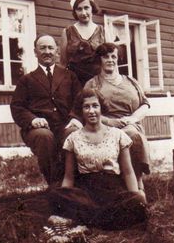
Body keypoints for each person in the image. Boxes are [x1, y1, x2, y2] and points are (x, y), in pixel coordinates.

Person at [49, 88, 147, 230]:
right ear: (81, 111)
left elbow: (128, 172)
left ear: (101, 108)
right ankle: (106, 221)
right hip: (86, 193)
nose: (91, 111)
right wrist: (65, 197)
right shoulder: (73, 138)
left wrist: (135, 194)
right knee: (54, 195)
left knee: (138, 200)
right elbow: (69, 177)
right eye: (86, 107)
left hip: (113, 191)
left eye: (95, 106)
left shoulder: (118, 135)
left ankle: (82, 221)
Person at [10, 34, 82, 185]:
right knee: (45, 137)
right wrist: (33, 119)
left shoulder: (69, 76)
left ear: (57, 51)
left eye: (50, 48)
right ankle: (55, 185)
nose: (47, 51)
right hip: (38, 129)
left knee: (74, 133)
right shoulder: (27, 80)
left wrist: (75, 118)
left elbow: (80, 100)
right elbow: (17, 106)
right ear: (35, 52)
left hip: (64, 125)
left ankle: (74, 184)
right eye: (42, 48)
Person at [84, 42, 151, 191]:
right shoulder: (92, 84)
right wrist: (111, 122)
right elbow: (88, 110)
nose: (110, 60)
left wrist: (132, 119)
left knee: (131, 133)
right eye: (106, 56)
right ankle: (125, 186)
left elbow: (145, 104)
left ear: (118, 59)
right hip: (104, 125)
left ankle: (138, 182)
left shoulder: (130, 81)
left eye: (113, 56)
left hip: (131, 123)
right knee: (127, 134)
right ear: (100, 59)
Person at [60, 0, 105, 86]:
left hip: (98, 82)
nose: (83, 13)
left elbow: (110, 59)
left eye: (86, 8)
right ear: (75, 12)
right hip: (74, 83)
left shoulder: (103, 31)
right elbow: (63, 63)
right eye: (79, 9)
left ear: (92, 8)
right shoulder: (67, 32)